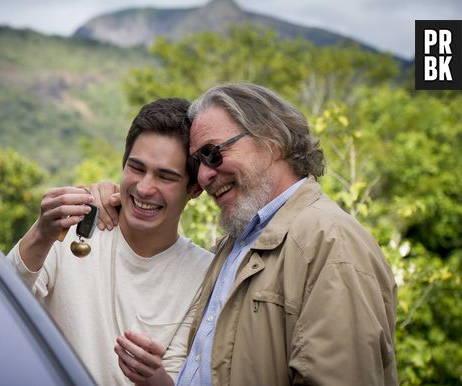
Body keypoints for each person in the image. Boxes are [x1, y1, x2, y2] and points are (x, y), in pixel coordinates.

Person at [97, 82, 398, 385]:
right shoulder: (239, 244)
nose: (203, 175)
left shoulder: (331, 242)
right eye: (198, 161)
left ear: (272, 141)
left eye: (212, 154)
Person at [6, 98, 213, 386]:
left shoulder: (206, 274)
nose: (143, 188)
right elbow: (0, 305)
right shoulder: (71, 227)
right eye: (136, 168)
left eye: (165, 177)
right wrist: (41, 233)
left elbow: (182, 377)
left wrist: (153, 378)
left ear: (194, 189)